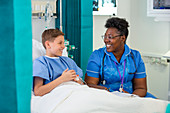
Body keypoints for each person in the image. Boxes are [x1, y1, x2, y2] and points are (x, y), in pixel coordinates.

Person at [85, 17, 156, 98]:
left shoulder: (135, 57)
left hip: (132, 96)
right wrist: (108, 92)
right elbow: (89, 85)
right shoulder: (97, 56)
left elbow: (141, 88)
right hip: (105, 96)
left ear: (122, 38)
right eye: (105, 37)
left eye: (110, 37)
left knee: (161, 106)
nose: (106, 40)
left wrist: (130, 97)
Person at [33, 28, 83, 96]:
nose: (63, 46)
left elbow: (82, 84)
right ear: (48, 45)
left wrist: (77, 80)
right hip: (59, 95)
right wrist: (62, 79)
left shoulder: (68, 61)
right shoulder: (41, 63)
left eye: (63, 43)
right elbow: (38, 91)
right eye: (60, 43)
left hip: (77, 92)